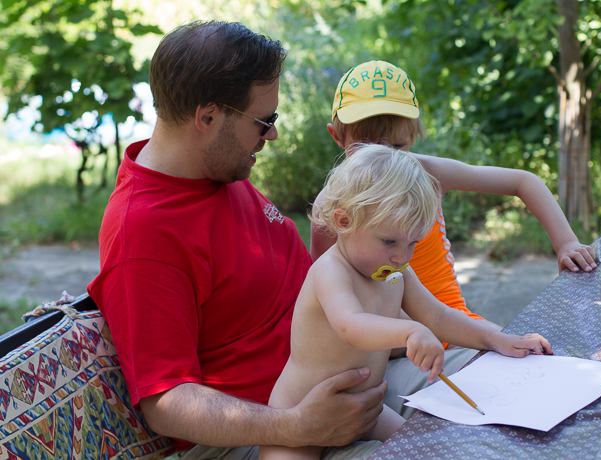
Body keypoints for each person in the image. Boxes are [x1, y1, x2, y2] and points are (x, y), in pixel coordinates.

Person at [86, 23, 486, 460]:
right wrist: (297, 424)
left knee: (496, 383)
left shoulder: (216, 171)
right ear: (207, 118)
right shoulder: (143, 233)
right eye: (264, 121)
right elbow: (166, 403)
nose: (271, 135)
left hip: (351, 381)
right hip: (270, 430)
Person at [259, 145, 552, 460]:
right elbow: (351, 326)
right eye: (389, 241)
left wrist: (496, 338)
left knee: (428, 451)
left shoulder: (396, 271)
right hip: (302, 420)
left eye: (413, 243)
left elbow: (438, 317)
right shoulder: (330, 271)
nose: (402, 256)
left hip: (365, 411)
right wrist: (410, 331)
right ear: (344, 221)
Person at [312, 60, 598, 338]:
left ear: (413, 135)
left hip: (453, 324)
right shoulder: (330, 207)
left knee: (534, 354)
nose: (384, 158)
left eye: (397, 146)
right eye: (365, 147)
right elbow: (325, 291)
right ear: (337, 136)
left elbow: (523, 181)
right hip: (385, 339)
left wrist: (566, 243)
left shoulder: (429, 174)